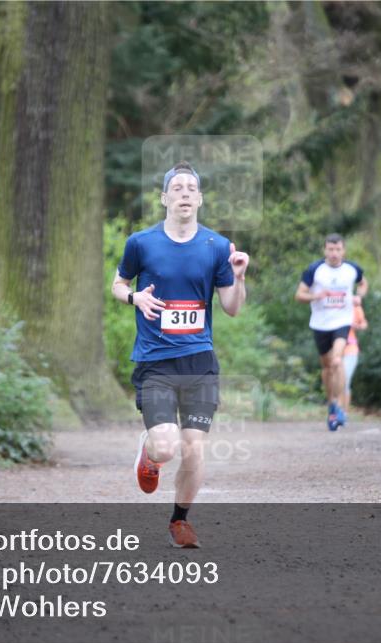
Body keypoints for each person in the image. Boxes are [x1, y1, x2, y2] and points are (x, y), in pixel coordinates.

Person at [111, 161, 249, 548]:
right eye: (177, 188)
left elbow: (232, 307)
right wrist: (135, 298)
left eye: (191, 188)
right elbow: (118, 284)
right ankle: (149, 452)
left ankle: (180, 521)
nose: (184, 193)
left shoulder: (217, 247)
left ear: (200, 199)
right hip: (155, 361)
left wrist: (239, 276)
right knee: (165, 447)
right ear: (164, 198)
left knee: (194, 448)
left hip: (199, 361)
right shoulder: (141, 243)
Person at [294, 233, 367, 431]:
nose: (334, 253)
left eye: (338, 249)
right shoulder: (314, 270)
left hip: (342, 322)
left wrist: (359, 296)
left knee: (337, 360)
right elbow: (299, 295)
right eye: (330, 249)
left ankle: (340, 407)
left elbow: (363, 283)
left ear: (343, 251)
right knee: (327, 368)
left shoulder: (352, 269)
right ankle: (332, 404)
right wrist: (317, 296)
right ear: (325, 250)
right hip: (320, 324)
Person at [340, 303, 368, 413]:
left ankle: (343, 413)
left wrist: (357, 326)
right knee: (335, 381)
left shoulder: (354, 306)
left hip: (350, 349)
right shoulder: (331, 304)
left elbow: (363, 324)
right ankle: (335, 411)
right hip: (333, 350)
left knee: (345, 380)